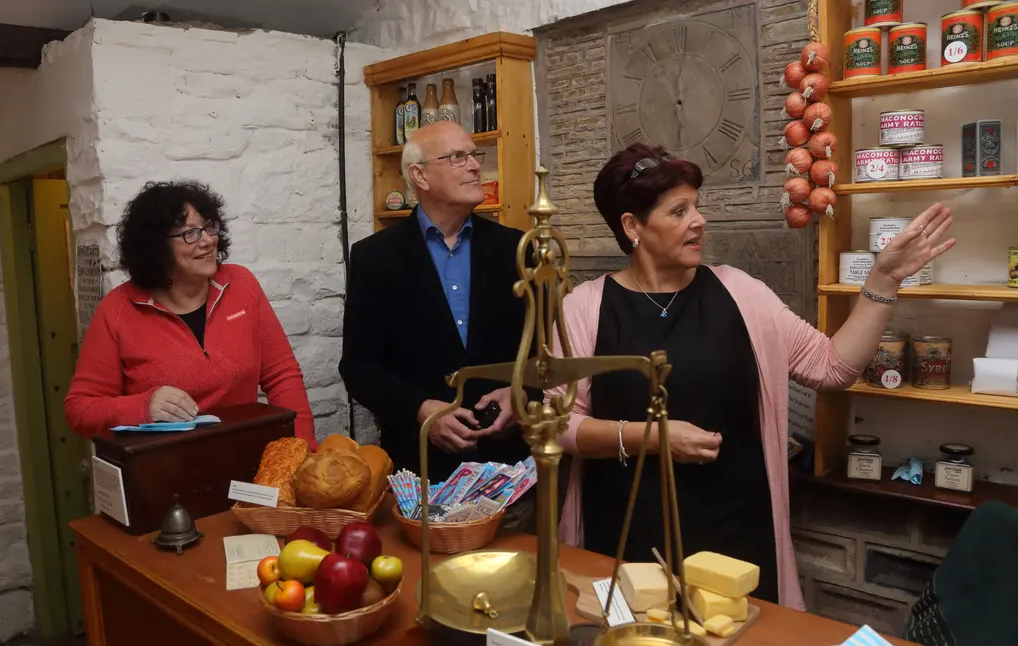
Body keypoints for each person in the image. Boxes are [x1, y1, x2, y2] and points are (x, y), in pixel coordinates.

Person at [547, 143, 954, 610]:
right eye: (678, 211)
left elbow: (832, 367)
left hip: (736, 536)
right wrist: (654, 437)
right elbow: (561, 426)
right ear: (632, 226)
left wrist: (883, 281)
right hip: (624, 536)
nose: (698, 220)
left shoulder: (740, 293)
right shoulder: (584, 309)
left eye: (696, 207)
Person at [339, 121, 538, 517]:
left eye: (474, 155)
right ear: (419, 175)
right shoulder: (374, 258)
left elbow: (547, 350)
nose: (475, 167)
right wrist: (420, 408)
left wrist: (522, 396)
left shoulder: (515, 249)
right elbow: (358, 367)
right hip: (419, 477)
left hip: (510, 475)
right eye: (457, 157)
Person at [64, 180, 317, 449]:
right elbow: (80, 409)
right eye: (190, 234)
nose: (208, 241)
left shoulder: (242, 285)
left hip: (247, 457)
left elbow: (282, 376)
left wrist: (301, 450)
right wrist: (142, 407)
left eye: (209, 227)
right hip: (165, 474)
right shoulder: (117, 310)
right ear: (156, 247)